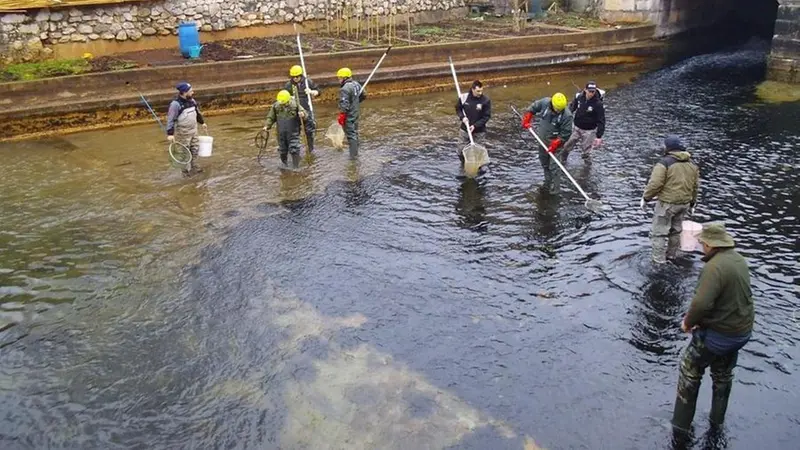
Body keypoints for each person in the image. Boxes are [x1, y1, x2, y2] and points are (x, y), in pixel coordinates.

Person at [671, 223, 754, 436]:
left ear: (710, 244)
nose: (701, 246)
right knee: (723, 375)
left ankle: (680, 427)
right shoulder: (739, 260)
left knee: (690, 368)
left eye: (702, 243)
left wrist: (688, 323)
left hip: (719, 335)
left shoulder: (714, 267)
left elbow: (701, 304)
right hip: (740, 333)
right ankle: (717, 423)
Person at [640, 135, 700, 264]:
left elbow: (655, 184)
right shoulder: (692, 165)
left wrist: (646, 198)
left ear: (668, 148)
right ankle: (672, 256)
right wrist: (692, 203)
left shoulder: (664, 163)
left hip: (666, 204)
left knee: (659, 233)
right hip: (684, 204)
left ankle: (658, 262)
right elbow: (695, 187)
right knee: (676, 231)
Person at [521, 93, 573, 194]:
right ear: (552, 104)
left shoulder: (567, 116)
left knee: (554, 166)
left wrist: (556, 143)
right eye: (557, 108)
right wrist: (528, 116)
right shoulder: (545, 103)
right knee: (544, 162)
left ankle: (556, 189)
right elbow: (533, 107)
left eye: (560, 109)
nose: (558, 111)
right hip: (542, 141)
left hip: (556, 144)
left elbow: (566, 133)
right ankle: (547, 182)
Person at [166, 81, 207, 176]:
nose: (193, 92)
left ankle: (194, 167)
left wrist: (202, 123)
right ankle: (184, 172)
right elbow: (170, 119)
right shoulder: (175, 105)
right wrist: (170, 134)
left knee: (195, 149)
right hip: (183, 133)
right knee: (184, 152)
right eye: (190, 91)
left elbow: (197, 113)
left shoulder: (192, 101)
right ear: (184, 93)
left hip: (194, 131)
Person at [263, 89, 307, 169]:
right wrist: (267, 126)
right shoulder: (276, 106)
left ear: (288, 100)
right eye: (281, 103)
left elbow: (306, 117)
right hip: (281, 133)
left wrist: (303, 115)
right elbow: (270, 117)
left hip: (293, 132)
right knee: (282, 150)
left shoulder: (295, 105)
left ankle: (296, 167)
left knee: (294, 148)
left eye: (284, 103)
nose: (282, 104)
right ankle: (284, 165)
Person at [563, 80, 605, 162]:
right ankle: (562, 161)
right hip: (577, 128)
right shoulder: (579, 97)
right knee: (566, 146)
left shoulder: (598, 104)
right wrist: (565, 117)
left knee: (586, 152)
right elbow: (571, 108)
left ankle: (587, 169)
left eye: (593, 91)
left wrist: (599, 136)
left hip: (589, 131)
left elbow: (601, 120)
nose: (592, 93)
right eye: (590, 91)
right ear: (585, 90)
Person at [285, 65, 321, 154]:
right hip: (294, 112)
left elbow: (319, 91)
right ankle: (295, 151)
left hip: (307, 110)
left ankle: (310, 150)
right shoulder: (288, 85)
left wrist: (312, 92)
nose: (295, 79)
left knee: (309, 131)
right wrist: (289, 98)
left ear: (301, 75)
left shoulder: (308, 82)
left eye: (297, 77)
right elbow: (283, 97)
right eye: (293, 77)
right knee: (294, 132)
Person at [455, 80, 492, 165]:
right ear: (472, 89)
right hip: (465, 129)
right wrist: (462, 117)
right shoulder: (464, 98)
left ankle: (478, 168)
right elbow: (458, 109)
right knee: (460, 150)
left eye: (481, 91)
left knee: (478, 153)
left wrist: (475, 126)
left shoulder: (485, 101)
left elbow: (486, 116)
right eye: (478, 91)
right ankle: (464, 163)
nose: (480, 93)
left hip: (479, 131)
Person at [336, 67, 366, 158]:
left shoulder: (345, 89)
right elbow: (364, 94)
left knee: (350, 135)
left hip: (349, 115)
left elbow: (344, 104)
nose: (339, 80)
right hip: (356, 112)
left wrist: (342, 115)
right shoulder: (356, 84)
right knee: (355, 132)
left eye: (340, 78)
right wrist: (356, 102)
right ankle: (356, 151)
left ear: (344, 78)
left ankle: (353, 157)